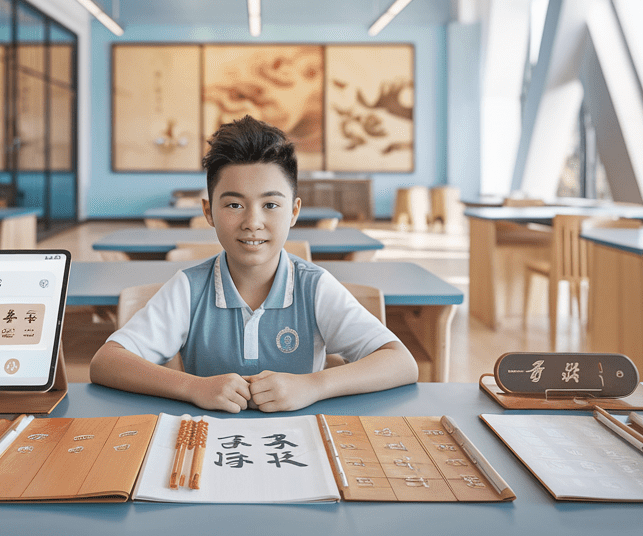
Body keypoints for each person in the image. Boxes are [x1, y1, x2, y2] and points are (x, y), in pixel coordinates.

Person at [90, 116, 418, 412]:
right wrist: (194, 387)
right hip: (206, 446)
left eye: (271, 204)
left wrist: (314, 385)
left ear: (294, 211)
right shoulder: (189, 288)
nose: (252, 222)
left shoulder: (314, 286)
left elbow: (401, 362)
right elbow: (106, 362)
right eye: (234, 204)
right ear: (208, 211)